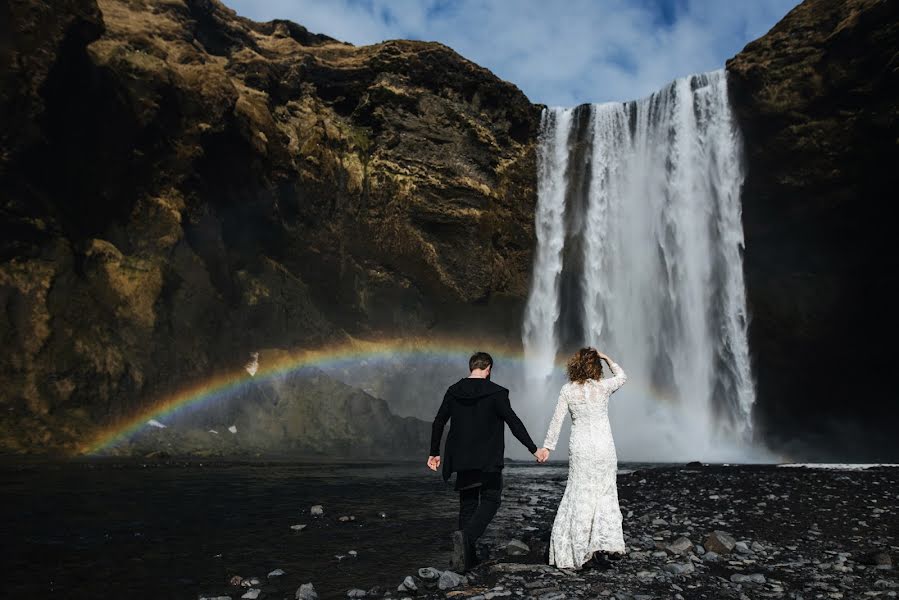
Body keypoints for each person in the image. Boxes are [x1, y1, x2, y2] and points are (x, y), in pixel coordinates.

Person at [428, 351, 547, 572]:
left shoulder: (454, 391)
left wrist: (434, 452)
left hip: (462, 458)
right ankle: (467, 538)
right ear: (489, 368)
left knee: (468, 504)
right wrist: (533, 449)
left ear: (471, 367)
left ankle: (466, 560)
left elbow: (438, 422)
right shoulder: (497, 393)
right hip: (487, 458)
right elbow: (513, 422)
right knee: (492, 499)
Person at [538, 347, 628, 570]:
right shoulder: (603, 387)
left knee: (579, 492)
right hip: (604, 447)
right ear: (596, 367)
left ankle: (575, 550)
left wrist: (548, 446)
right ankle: (600, 543)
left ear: (575, 366)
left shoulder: (568, 390)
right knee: (604, 491)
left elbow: (557, 420)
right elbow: (623, 377)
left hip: (581, 448)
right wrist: (608, 358)